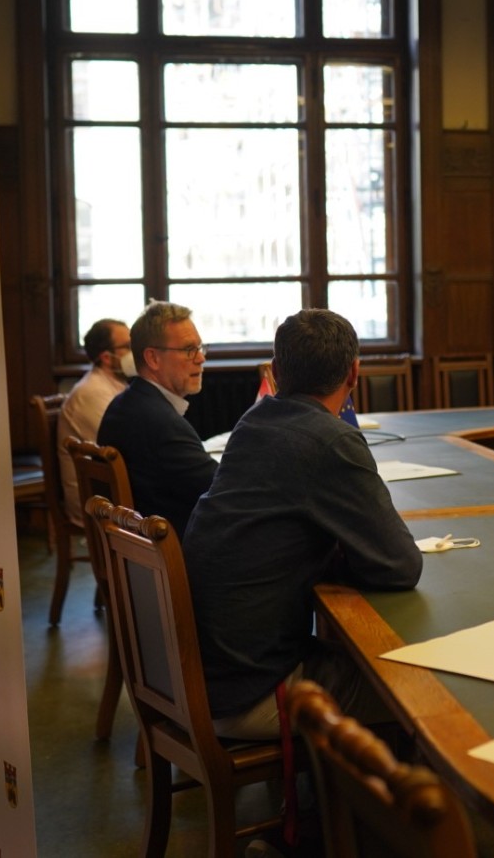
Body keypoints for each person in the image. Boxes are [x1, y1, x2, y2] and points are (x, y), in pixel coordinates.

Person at [183, 309, 422, 740]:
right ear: (355, 373)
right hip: (254, 691)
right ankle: (373, 805)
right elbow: (400, 565)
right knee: (420, 688)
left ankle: (331, 800)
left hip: (204, 675)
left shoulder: (253, 422)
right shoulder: (331, 440)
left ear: (274, 373)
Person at [97, 300, 216, 537]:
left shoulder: (127, 403)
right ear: (152, 358)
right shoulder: (161, 424)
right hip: (172, 557)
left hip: (141, 553)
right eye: (188, 349)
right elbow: (223, 491)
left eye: (201, 348)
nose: (201, 359)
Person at [57, 318, 132, 526]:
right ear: (107, 357)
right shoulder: (93, 392)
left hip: (108, 490)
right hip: (95, 501)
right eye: (128, 346)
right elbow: (122, 449)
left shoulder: (115, 384)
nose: (135, 351)